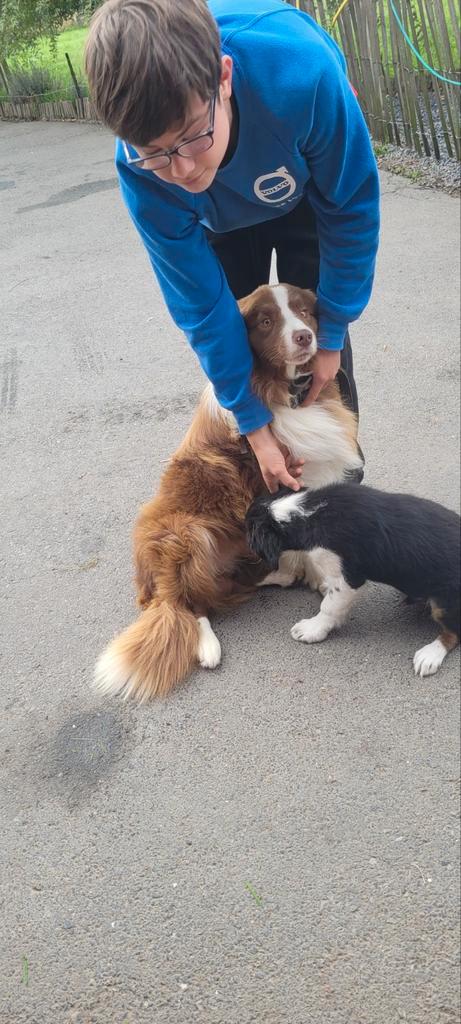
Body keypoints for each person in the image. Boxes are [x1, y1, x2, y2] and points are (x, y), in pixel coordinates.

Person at [85, 0, 380, 492]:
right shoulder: (143, 173)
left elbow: (351, 208)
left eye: (190, 136)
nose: (181, 170)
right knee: (247, 337)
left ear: (223, 79)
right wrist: (250, 421)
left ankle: (344, 480)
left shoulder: (303, 76)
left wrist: (331, 336)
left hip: (303, 187)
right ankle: (277, 480)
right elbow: (204, 310)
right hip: (216, 217)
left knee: (312, 327)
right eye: (155, 153)